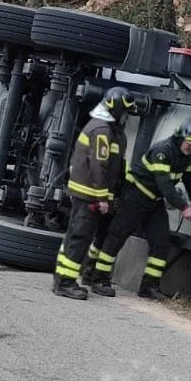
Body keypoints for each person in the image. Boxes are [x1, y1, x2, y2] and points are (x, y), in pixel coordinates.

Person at [92, 117, 191, 300]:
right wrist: (184, 207)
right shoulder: (162, 151)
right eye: (190, 143)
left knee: (161, 243)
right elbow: (165, 186)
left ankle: (149, 286)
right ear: (180, 137)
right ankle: (98, 279)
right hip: (135, 196)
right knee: (116, 236)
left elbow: (190, 180)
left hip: (154, 202)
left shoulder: (187, 157)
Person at [52, 86, 134, 300]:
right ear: (116, 109)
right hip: (89, 194)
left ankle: (64, 278)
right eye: (124, 112)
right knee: (80, 237)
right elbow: (99, 165)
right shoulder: (101, 130)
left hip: (91, 193)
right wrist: (102, 197)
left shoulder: (109, 130)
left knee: (76, 236)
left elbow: (116, 165)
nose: (126, 117)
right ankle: (65, 283)